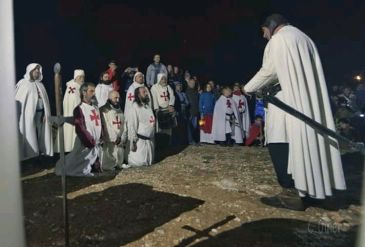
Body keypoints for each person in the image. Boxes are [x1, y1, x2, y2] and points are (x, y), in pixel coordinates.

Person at [243, 14, 346, 210]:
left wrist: (247, 88)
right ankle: (313, 190)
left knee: (279, 141)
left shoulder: (279, 39)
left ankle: (290, 193)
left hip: (285, 102)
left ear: (271, 26)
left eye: (264, 31)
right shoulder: (305, 39)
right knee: (307, 142)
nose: (265, 36)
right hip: (305, 101)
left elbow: (269, 70)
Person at [55, 82, 102, 176]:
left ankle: (85, 170)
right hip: (84, 142)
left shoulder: (95, 107)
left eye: (94, 91)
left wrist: (101, 137)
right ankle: (62, 168)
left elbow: (99, 124)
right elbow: (80, 127)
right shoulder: (79, 108)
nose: (94, 93)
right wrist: (89, 141)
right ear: (84, 93)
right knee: (76, 159)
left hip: (94, 141)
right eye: (91, 91)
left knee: (87, 160)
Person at [15, 63, 53, 161]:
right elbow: (18, 99)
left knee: (41, 132)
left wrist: (45, 113)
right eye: (35, 70)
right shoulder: (23, 83)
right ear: (30, 71)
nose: (37, 72)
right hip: (27, 115)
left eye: (38, 70)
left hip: (40, 114)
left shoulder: (40, 85)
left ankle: (42, 150)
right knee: (29, 131)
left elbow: (45, 102)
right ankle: (30, 153)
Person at [57, 69, 85, 153]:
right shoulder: (73, 87)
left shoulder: (75, 87)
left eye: (83, 77)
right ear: (76, 77)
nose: (82, 79)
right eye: (80, 77)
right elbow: (75, 101)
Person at [100, 90, 129, 170]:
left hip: (120, 137)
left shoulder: (119, 108)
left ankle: (119, 163)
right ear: (109, 98)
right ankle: (109, 165)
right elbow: (106, 125)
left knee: (119, 151)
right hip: (110, 138)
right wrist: (114, 137)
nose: (118, 100)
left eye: (119, 98)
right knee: (110, 152)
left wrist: (123, 136)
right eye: (115, 98)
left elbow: (124, 124)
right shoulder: (104, 110)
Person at [128, 87, 156, 166]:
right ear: (138, 95)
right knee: (138, 163)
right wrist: (133, 141)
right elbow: (132, 124)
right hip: (139, 142)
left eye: (146, 92)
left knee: (149, 162)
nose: (147, 94)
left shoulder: (147, 107)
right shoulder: (135, 107)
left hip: (149, 141)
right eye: (144, 92)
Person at [150, 73, 176, 148]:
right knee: (160, 129)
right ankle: (160, 145)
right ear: (159, 79)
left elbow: (172, 96)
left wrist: (171, 105)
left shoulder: (168, 87)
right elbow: (154, 98)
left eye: (165, 78)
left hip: (168, 109)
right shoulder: (154, 87)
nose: (164, 80)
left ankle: (167, 144)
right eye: (162, 79)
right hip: (160, 110)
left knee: (169, 129)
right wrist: (156, 109)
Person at [172, 81, 189, 146]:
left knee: (183, 126)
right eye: (178, 85)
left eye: (180, 85)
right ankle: (175, 142)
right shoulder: (174, 94)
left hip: (183, 111)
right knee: (176, 126)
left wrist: (184, 104)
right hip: (177, 111)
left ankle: (182, 141)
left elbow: (187, 103)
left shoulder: (183, 94)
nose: (180, 87)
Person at [185, 78, 200, 145]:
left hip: (196, 112)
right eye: (191, 83)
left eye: (193, 83)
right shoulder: (186, 92)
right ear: (188, 83)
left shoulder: (196, 92)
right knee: (190, 127)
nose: (192, 84)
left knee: (195, 127)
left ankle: (194, 139)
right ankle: (190, 141)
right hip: (190, 112)